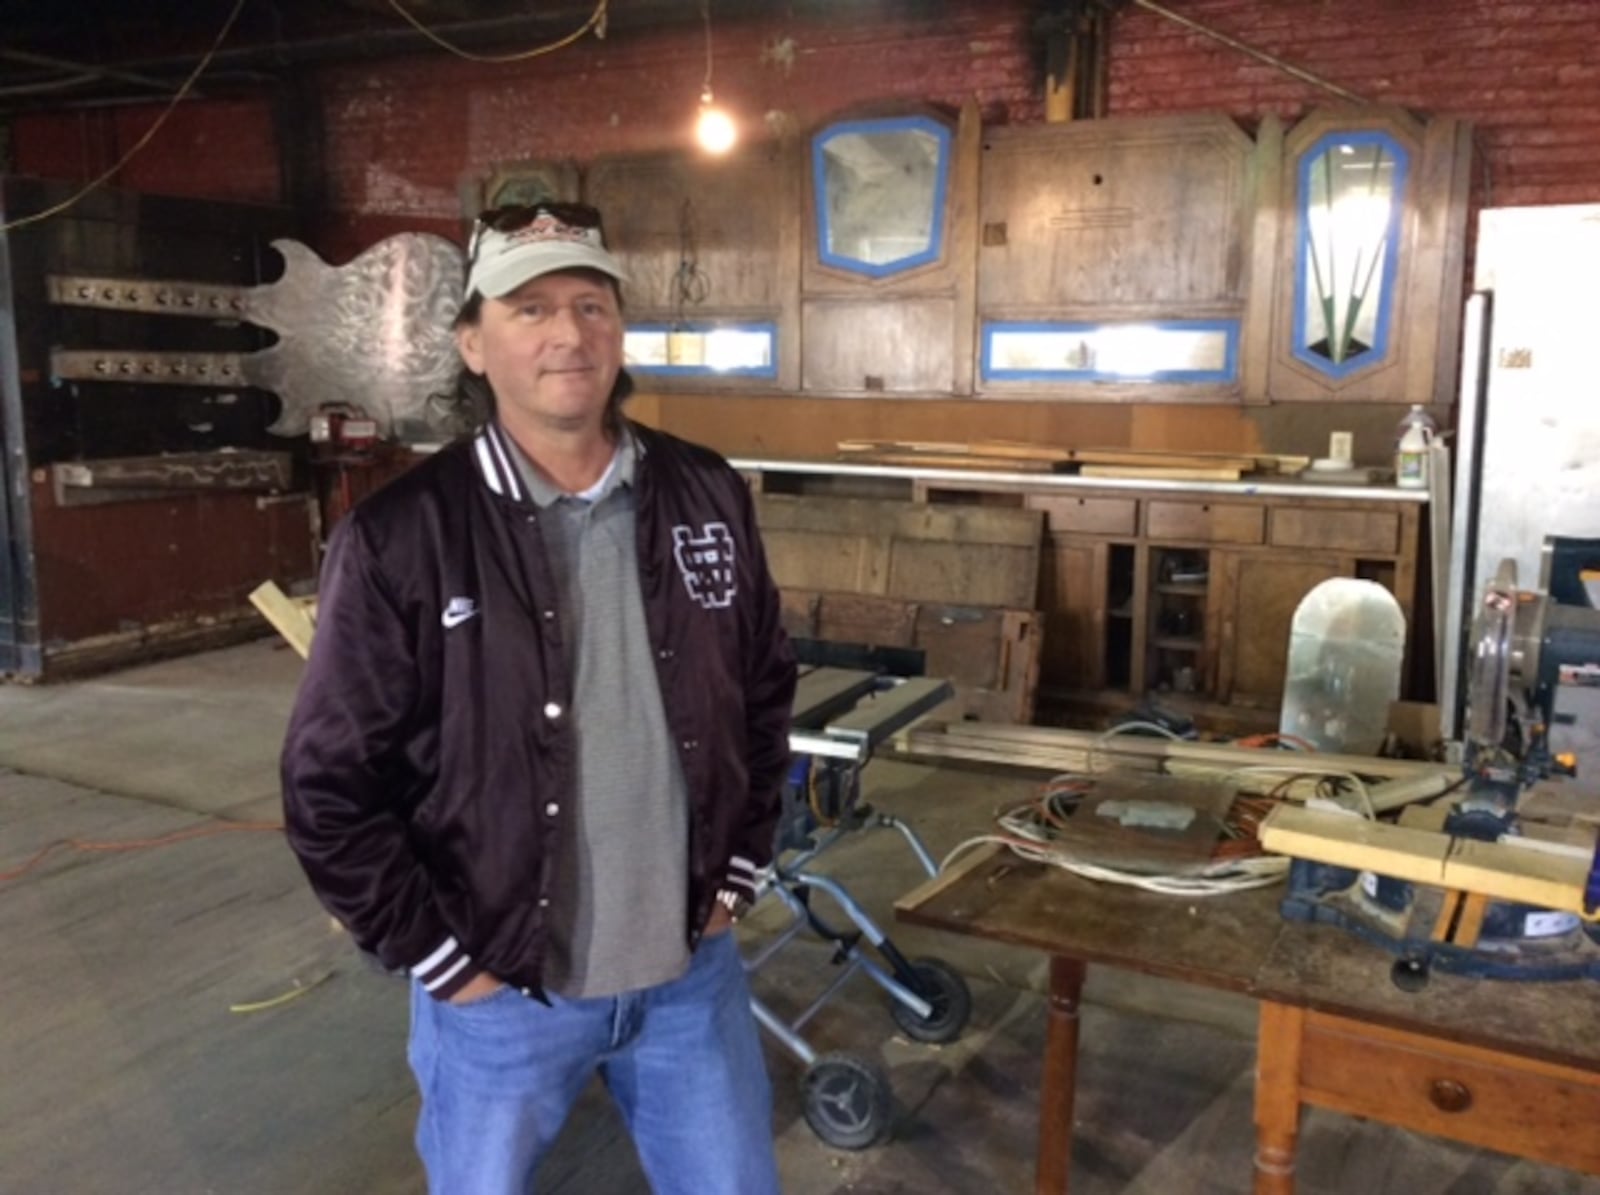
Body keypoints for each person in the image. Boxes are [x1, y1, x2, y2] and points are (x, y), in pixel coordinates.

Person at [280, 201, 797, 1195]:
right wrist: (442, 963)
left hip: (690, 975)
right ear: (472, 342)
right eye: (529, 308)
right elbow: (328, 786)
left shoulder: (706, 494)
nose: (569, 333)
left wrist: (736, 865)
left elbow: (763, 690)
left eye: (591, 304)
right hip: (501, 992)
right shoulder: (401, 537)